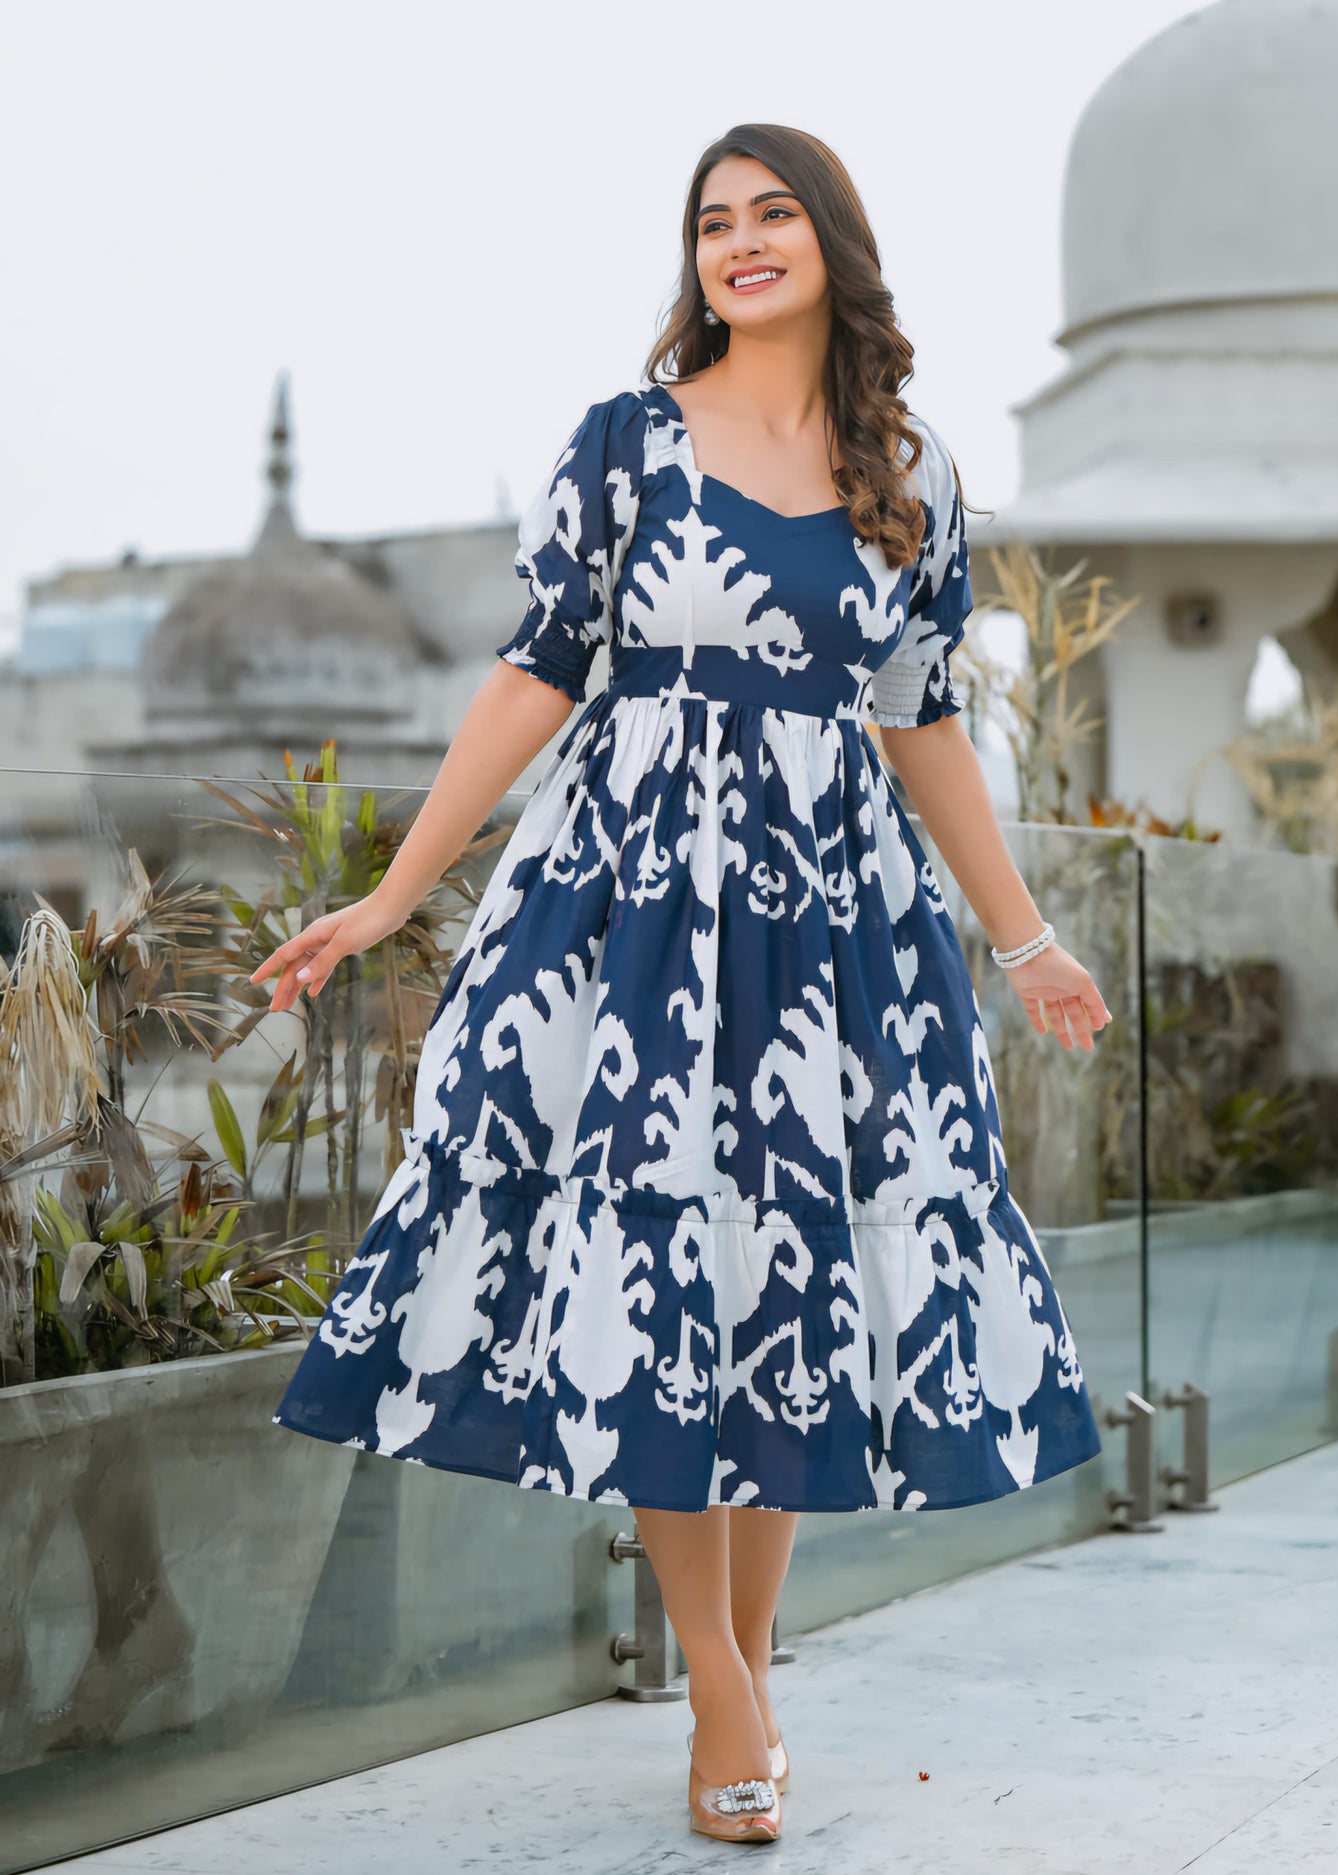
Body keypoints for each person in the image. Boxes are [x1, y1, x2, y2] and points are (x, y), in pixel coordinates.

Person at [252, 122, 1111, 1847]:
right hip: (625, 902)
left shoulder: (914, 476)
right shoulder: (625, 443)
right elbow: (531, 678)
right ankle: (723, 1689)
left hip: (829, 914)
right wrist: (393, 892)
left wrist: (1023, 939)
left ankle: (745, 1668)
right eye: (713, 222)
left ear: (832, 242)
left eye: (772, 213)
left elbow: (925, 719)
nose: (739, 243)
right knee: (651, 1265)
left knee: (786, 1281)